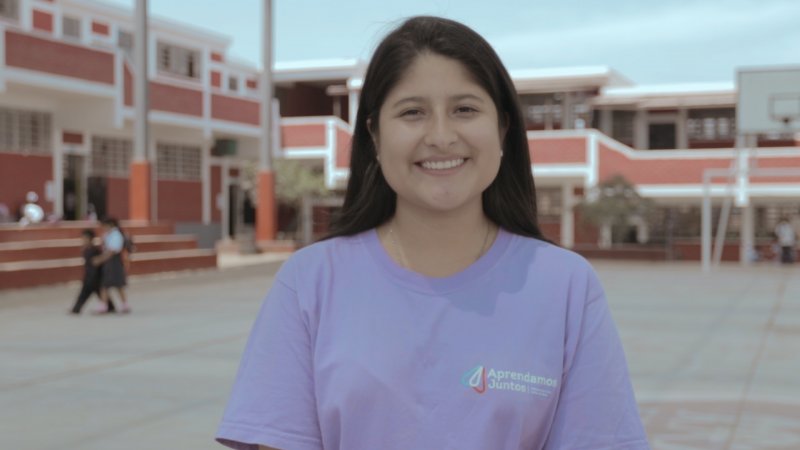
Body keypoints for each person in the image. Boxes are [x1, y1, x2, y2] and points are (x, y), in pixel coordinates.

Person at [216, 16, 649, 450]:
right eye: (412, 113)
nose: (441, 136)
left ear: (502, 128)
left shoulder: (567, 287)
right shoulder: (309, 283)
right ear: (375, 134)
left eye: (465, 109)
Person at [70, 229, 117, 315]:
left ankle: (76, 309)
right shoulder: (87, 250)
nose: (83, 240)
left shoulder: (94, 250)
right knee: (90, 293)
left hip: (95, 277)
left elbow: (97, 263)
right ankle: (110, 307)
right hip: (90, 276)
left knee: (86, 293)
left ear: (89, 239)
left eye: (84, 238)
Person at [92, 218, 131, 314]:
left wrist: (100, 259)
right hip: (110, 261)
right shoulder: (108, 234)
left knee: (110, 284)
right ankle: (121, 304)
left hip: (114, 261)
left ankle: (105, 306)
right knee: (111, 284)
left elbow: (112, 251)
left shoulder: (116, 235)